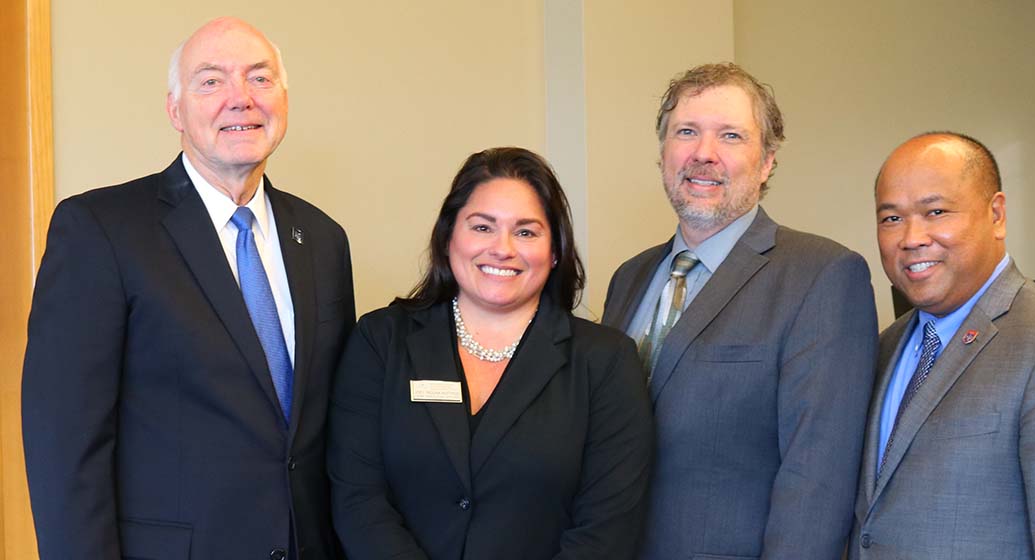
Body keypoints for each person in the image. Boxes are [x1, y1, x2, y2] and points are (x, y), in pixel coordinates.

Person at [22, 17, 354, 559]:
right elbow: (64, 446)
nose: (240, 99)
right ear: (175, 109)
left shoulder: (322, 240)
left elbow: (330, 435)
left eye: (260, 78)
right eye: (211, 80)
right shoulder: (100, 229)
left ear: (284, 100)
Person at [601, 62, 878, 559]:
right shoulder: (630, 278)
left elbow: (817, 479)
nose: (703, 154)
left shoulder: (822, 275)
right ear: (663, 151)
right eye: (686, 132)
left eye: (730, 136)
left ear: (767, 161)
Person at [328, 147, 653, 559]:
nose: (502, 248)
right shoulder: (381, 340)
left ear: (554, 251)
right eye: (482, 227)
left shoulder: (606, 361)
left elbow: (606, 530)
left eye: (526, 232)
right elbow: (357, 497)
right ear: (448, 237)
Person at [850, 132, 1035, 559]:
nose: (911, 238)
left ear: (997, 214)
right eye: (891, 218)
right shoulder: (884, 347)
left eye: (936, 211)